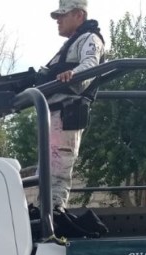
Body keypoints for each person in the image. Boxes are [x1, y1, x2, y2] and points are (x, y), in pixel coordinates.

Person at [41, 0, 105, 211]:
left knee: (58, 170)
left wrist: (73, 74)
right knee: (46, 171)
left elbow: (90, 64)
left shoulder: (90, 38)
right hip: (54, 113)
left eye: (63, 15)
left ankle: (54, 219)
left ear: (79, 15)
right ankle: (43, 213)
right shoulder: (71, 44)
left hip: (68, 113)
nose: (58, 20)